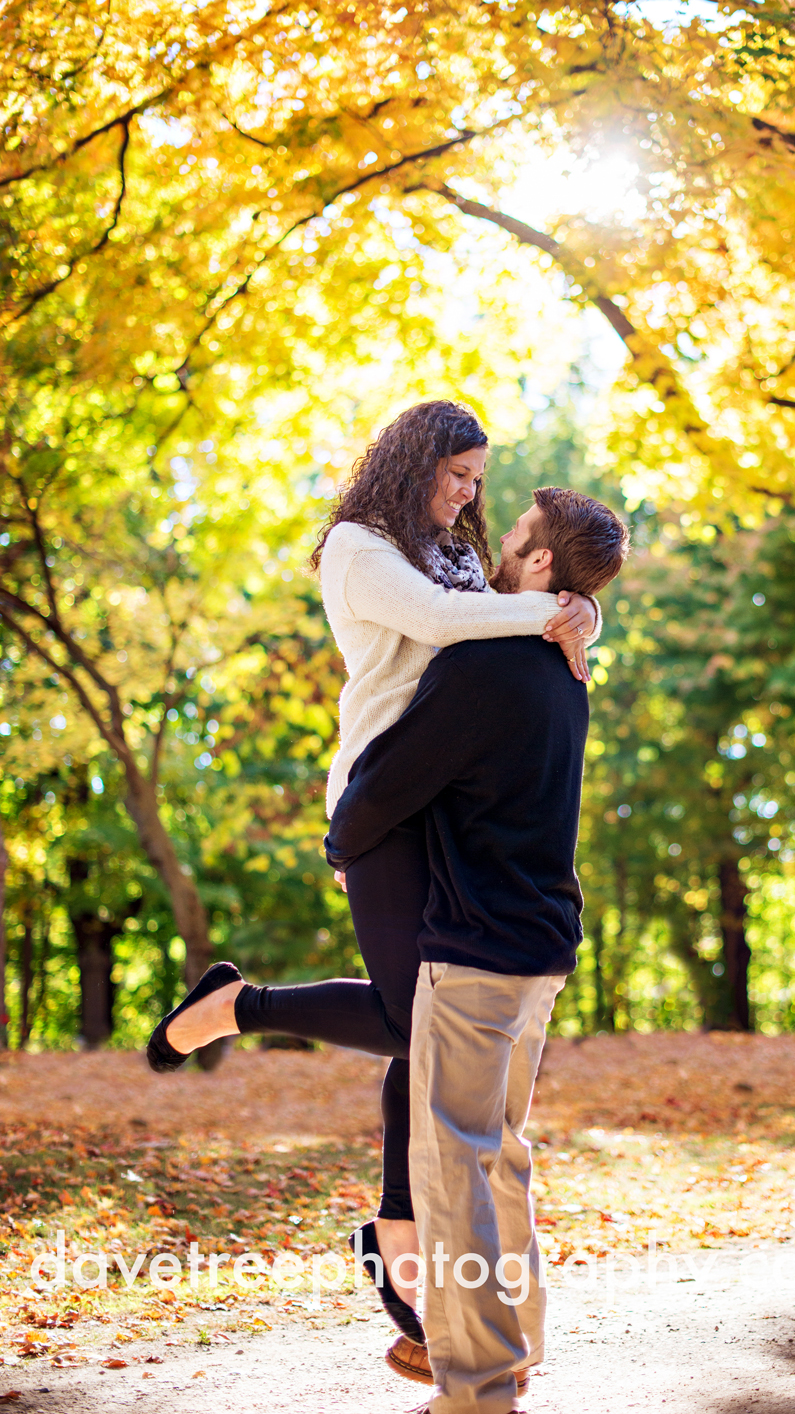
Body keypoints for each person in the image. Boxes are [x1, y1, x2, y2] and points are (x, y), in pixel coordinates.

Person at [146, 400, 599, 1343]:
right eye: (458, 475)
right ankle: (241, 1010)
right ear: (414, 461)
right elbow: (443, 625)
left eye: (481, 481)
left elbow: (500, 624)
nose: (471, 495)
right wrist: (563, 609)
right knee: (407, 1018)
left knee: (426, 1016)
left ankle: (396, 1225)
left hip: (442, 793)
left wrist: (582, 610)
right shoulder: (360, 548)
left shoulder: (457, 552)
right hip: (382, 797)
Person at [324, 487, 629, 1412]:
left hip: (475, 950)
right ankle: (515, 1347)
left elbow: (393, 778)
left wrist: (342, 839)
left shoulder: (485, 663)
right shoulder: (566, 663)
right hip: (541, 945)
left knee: (451, 1168)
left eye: (519, 539)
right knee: (498, 1154)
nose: (499, 545)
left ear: (539, 567)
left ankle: (478, 1386)